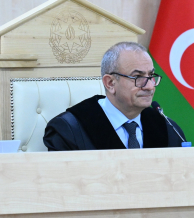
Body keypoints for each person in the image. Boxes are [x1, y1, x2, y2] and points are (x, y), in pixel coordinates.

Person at [44, 42, 185, 150]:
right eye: (137, 77)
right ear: (110, 83)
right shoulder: (68, 130)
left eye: (151, 75)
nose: (149, 86)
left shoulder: (168, 128)